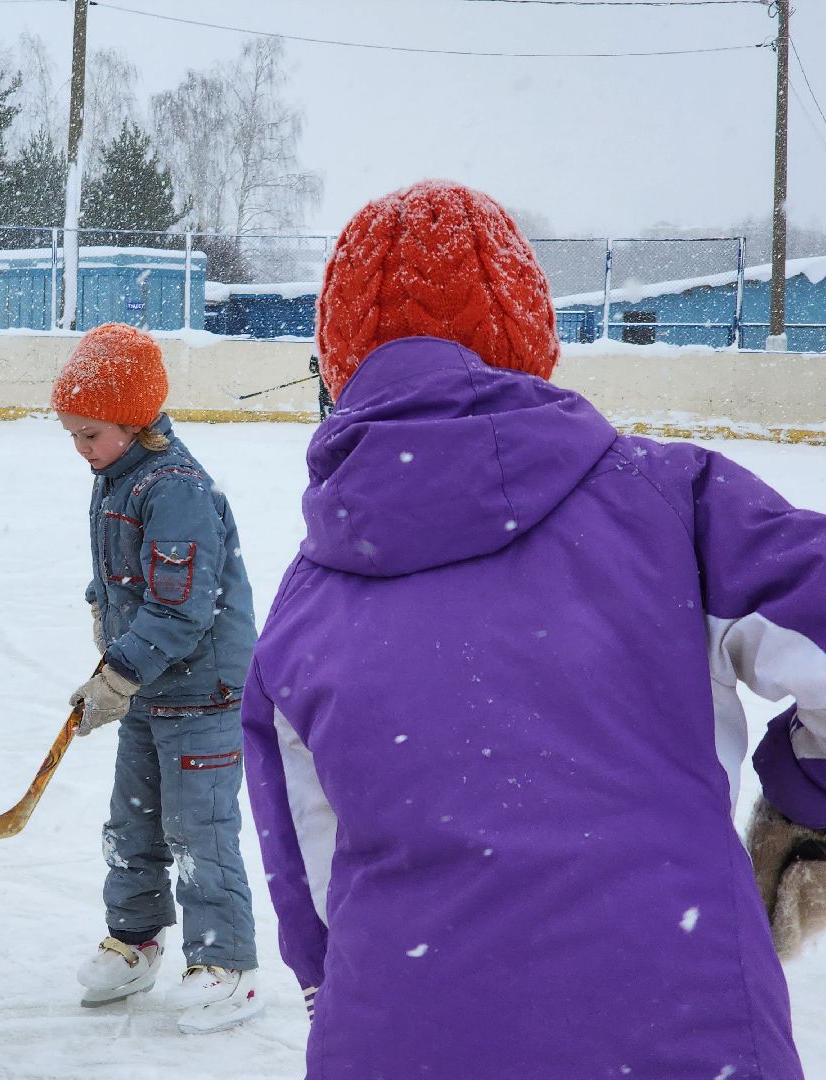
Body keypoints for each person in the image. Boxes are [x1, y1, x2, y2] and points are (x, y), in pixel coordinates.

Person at [241, 179, 826, 1079]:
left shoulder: (302, 610)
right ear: (532, 342)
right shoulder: (673, 504)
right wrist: (803, 789)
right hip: (681, 1029)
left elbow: (317, 896)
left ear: (338, 366)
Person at [52, 322, 264, 1035]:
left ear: (134, 422)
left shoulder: (175, 488)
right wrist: (100, 611)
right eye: (73, 434)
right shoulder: (120, 473)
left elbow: (181, 607)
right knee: (133, 824)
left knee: (198, 829)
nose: (79, 449)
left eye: (90, 434)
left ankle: (225, 964)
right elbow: (123, 571)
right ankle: (137, 940)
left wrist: (118, 673)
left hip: (201, 689)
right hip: (149, 682)